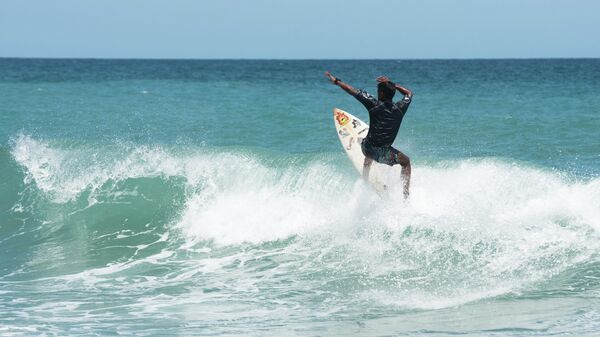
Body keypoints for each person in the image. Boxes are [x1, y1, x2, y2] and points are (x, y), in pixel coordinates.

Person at [325, 71, 413, 198]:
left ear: (381, 93)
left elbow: (352, 90)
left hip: (367, 149)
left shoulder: (373, 104)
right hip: (385, 154)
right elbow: (409, 94)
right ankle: (405, 193)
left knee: (368, 145)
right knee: (406, 162)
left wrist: (337, 81)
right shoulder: (401, 108)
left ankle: (365, 176)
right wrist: (394, 85)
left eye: (378, 90)